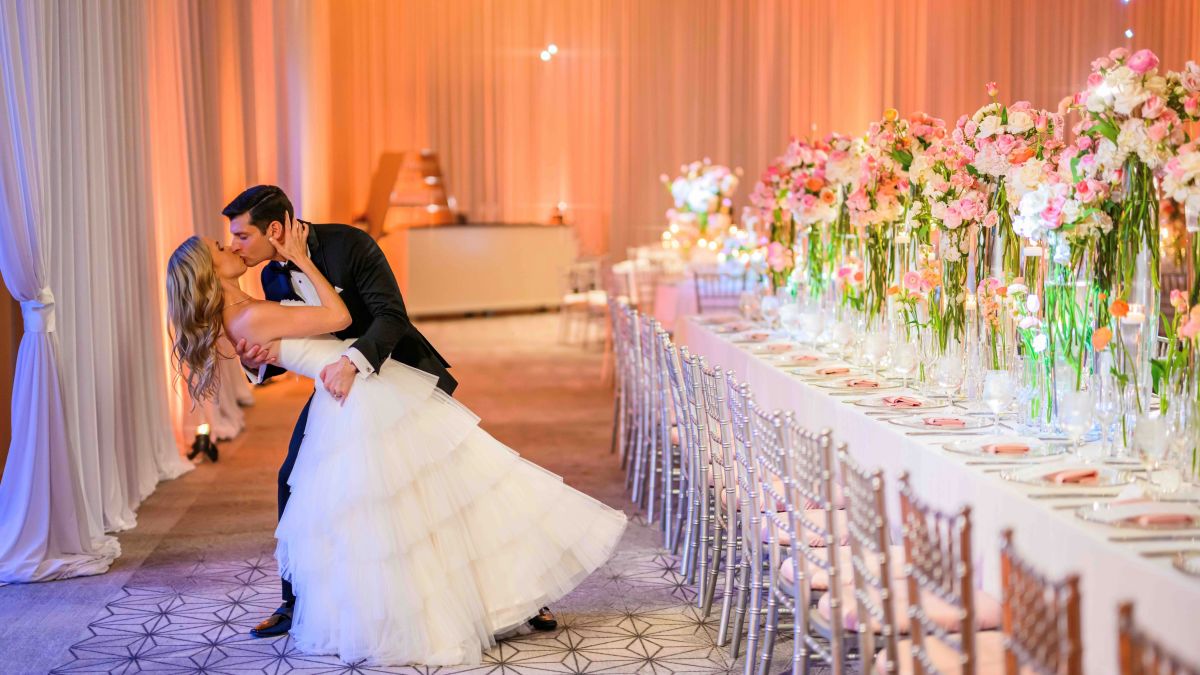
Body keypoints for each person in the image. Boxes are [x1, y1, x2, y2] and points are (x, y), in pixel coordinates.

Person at [165, 215, 627, 666]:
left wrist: (263, 353)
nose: (233, 246)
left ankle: (508, 594)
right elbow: (336, 317)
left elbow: (363, 321)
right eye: (222, 246)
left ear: (274, 228)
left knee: (437, 491)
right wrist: (300, 264)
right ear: (208, 272)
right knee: (404, 502)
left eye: (238, 236)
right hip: (355, 398)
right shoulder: (254, 305)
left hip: (364, 381)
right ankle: (376, 606)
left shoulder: (322, 260)